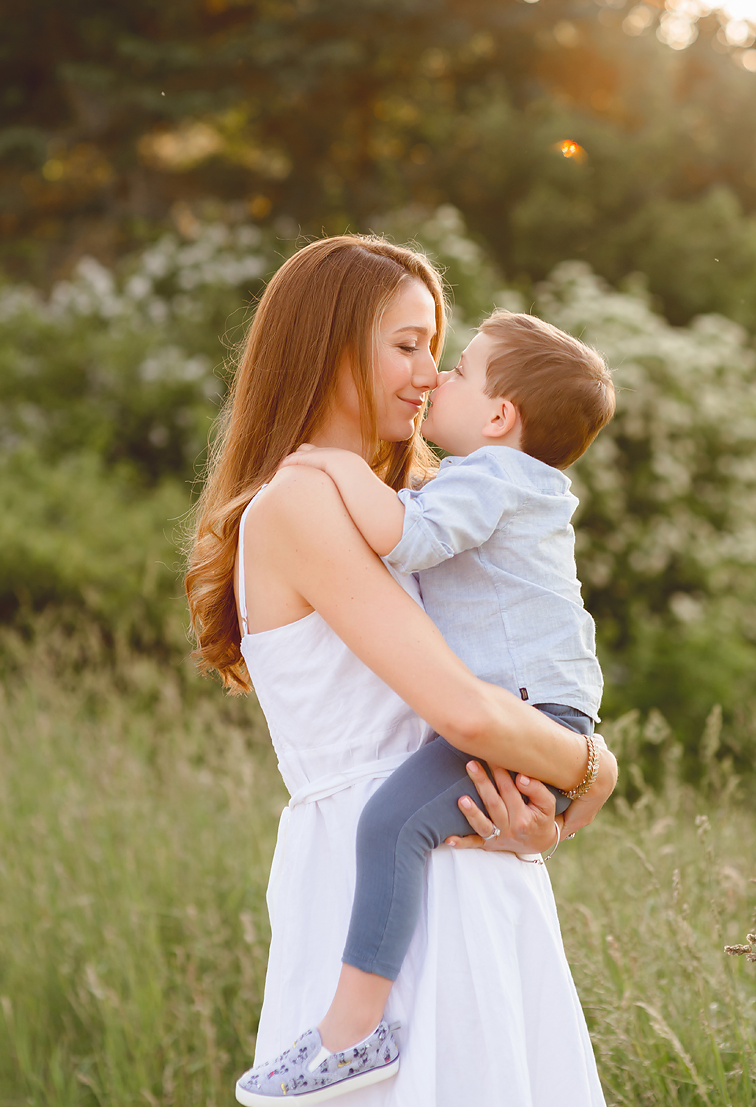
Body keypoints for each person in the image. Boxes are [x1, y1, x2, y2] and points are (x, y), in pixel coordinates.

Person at [185, 235, 617, 1107]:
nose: (429, 375)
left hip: (461, 851)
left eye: (437, 349)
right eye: (407, 345)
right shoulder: (305, 499)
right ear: (331, 343)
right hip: (379, 875)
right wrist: (592, 775)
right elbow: (464, 710)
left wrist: (556, 815)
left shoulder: (429, 501)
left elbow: (506, 682)